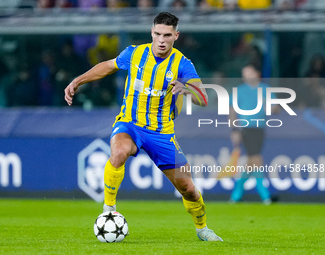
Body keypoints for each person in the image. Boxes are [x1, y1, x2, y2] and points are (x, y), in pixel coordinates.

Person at [64, 12, 223, 242]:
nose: (161, 40)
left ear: (176, 36)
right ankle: (108, 210)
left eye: (167, 35)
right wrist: (77, 81)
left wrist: (186, 89)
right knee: (118, 153)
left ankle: (202, 229)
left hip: (161, 133)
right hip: (130, 123)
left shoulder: (182, 64)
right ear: (151, 32)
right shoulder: (135, 53)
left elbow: (203, 98)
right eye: (157, 34)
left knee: (188, 188)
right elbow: (108, 66)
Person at [229, 64, 278, 205]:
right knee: (256, 159)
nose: (245, 76)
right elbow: (232, 112)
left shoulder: (265, 89)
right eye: (244, 73)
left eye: (248, 73)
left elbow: (276, 108)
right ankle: (265, 195)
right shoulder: (239, 90)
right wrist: (234, 130)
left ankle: (236, 194)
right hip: (246, 128)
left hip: (260, 129)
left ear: (257, 73)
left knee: (251, 162)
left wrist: (270, 106)